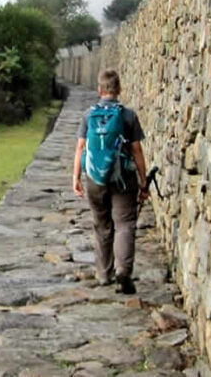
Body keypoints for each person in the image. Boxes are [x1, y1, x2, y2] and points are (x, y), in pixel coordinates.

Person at [73, 69, 149, 294]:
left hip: (95, 178)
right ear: (119, 90)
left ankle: (103, 274)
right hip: (124, 179)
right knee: (124, 223)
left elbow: (80, 147)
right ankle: (123, 270)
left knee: (102, 224)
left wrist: (75, 177)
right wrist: (143, 181)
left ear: (100, 90)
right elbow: (136, 151)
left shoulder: (88, 115)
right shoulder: (128, 115)